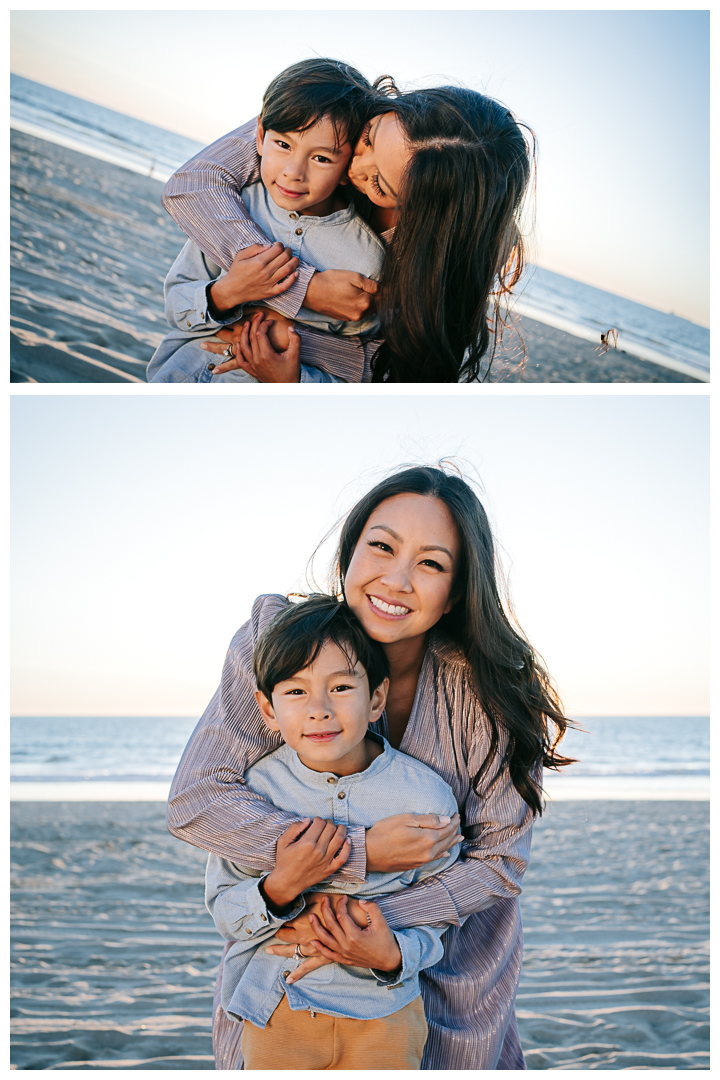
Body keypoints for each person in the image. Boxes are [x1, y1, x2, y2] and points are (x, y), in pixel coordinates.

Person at [167, 463, 574, 1069]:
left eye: (431, 564)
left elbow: (500, 864)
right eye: (381, 547)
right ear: (348, 554)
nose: (398, 578)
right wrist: (360, 852)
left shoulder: (492, 688)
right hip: (288, 977)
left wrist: (371, 928)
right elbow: (198, 801)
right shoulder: (276, 639)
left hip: (446, 976)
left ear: (457, 590)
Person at [206, 595, 461, 1069]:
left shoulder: (426, 799)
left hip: (385, 1013)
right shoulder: (256, 792)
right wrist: (282, 886)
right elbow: (225, 909)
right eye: (296, 692)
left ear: (376, 699)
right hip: (277, 1005)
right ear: (267, 710)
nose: (319, 709)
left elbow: (440, 910)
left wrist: (391, 955)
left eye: (341, 687)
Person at [162, 72, 534, 383]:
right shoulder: (336, 111)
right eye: (368, 139)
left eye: (379, 184)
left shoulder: (449, 256)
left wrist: (288, 357)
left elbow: (398, 372)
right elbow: (194, 183)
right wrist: (302, 290)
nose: (353, 169)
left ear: (427, 211)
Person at [147, 59, 384, 383]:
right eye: (283, 145)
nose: (293, 171)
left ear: (348, 167)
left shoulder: (366, 261)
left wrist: (290, 379)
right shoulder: (233, 209)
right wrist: (225, 293)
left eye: (321, 158)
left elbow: (358, 375)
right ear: (260, 137)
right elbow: (176, 308)